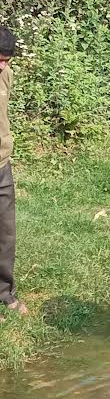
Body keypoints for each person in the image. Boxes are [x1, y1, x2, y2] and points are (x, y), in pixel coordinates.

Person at [0, 26, 26, 317]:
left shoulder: (5, 74)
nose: (2, 65)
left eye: (7, 59)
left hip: (1, 165)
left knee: (5, 234)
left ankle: (5, 293)